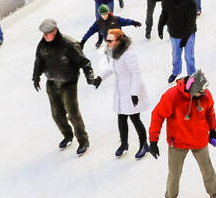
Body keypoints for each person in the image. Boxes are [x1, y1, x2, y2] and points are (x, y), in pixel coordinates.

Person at [147, 70, 216, 198]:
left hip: (199, 139)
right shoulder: (171, 96)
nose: (204, 93)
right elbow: (157, 115)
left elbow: (210, 112)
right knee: (174, 174)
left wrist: (213, 129)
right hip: (177, 142)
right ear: (192, 89)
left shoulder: (205, 94)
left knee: (207, 169)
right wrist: (153, 140)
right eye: (201, 91)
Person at [32, 18, 100, 155]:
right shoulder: (42, 45)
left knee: (73, 114)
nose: (46, 37)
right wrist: (36, 76)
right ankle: (67, 135)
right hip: (52, 84)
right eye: (44, 34)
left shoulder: (69, 44)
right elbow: (39, 61)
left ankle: (83, 140)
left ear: (55, 31)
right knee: (57, 115)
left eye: (48, 34)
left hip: (69, 84)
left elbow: (85, 62)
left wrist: (90, 77)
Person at [96, 28, 150, 158]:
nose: (107, 43)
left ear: (118, 41)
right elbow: (111, 68)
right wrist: (99, 78)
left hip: (131, 89)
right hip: (120, 89)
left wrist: (134, 93)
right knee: (121, 117)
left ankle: (144, 144)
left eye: (110, 40)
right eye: (106, 40)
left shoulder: (128, 54)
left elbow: (136, 73)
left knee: (134, 118)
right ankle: (124, 144)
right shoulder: (112, 51)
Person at [157, 0, 198, 81]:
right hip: (174, 35)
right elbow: (164, 15)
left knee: (189, 56)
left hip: (188, 35)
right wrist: (160, 27)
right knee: (176, 56)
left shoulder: (190, 1)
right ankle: (175, 72)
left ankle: (191, 75)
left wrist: (185, 38)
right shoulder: (167, 1)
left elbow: (191, 22)